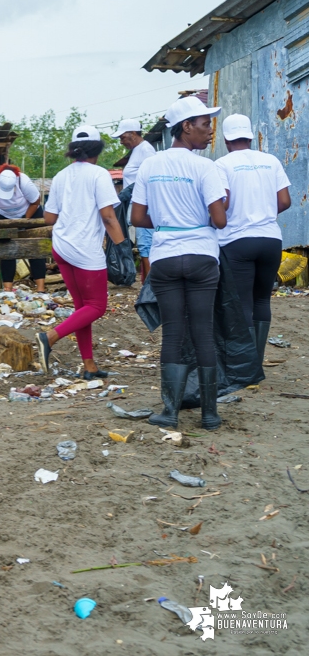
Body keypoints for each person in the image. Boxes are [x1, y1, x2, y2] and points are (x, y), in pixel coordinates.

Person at [130, 96, 227, 431]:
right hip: (201, 256)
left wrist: (168, 223)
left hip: (166, 258)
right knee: (202, 331)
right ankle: (210, 414)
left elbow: (137, 216)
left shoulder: (149, 166)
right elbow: (219, 221)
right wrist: (197, 219)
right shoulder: (206, 167)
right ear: (186, 127)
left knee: (173, 331)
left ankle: (170, 412)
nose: (210, 131)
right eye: (204, 124)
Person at [35, 125, 127, 379]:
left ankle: (89, 366)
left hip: (62, 247)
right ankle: (50, 337)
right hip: (85, 250)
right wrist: (124, 248)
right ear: (97, 149)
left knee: (81, 308)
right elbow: (108, 217)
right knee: (97, 306)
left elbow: (49, 218)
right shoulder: (99, 174)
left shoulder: (61, 175)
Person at [215, 113, 292, 371]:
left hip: (238, 241)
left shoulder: (222, 164)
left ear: (226, 139)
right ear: (250, 135)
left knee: (242, 303)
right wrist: (263, 213)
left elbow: (222, 203)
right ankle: (256, 363)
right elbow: (284, 201)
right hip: (271, 240)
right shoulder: (270, 161)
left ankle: (245, 367)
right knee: (262, 300)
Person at [113, 118, 158, 281]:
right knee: (144, 245)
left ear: (132, 134)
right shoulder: (137, 151)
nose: (121, 142)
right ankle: (147, 283)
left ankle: (151, 286)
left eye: (122, 137)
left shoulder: (146, 150)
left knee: (146, 245)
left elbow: (150, 177)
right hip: (137, 202)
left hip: (146, 204)